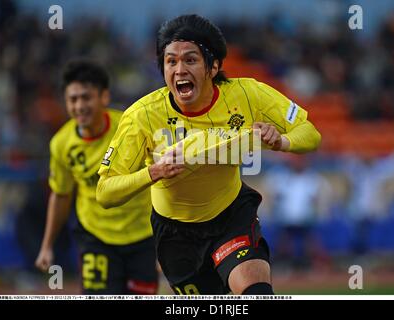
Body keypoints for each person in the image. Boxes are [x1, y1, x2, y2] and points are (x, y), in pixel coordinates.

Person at [97, 14, 321, 295]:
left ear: (213, 66)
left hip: (232, 217)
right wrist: (155, 171)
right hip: (175, 234)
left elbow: (310, 133)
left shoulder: (248, 94)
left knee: (255, 291)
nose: (179, 69)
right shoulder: (141, 117)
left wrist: (282, 142)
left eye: (190, 60)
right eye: (171, 61)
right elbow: (105, 192)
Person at [35, 59, 158, 294]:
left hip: (143, 236)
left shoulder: (130, 127)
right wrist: (47, 245)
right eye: (73, 99)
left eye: (86, 97)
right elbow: (61, 195)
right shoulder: (61, 144)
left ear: (104, 97)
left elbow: (158, 175)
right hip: (95, 237)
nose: (80, 106)